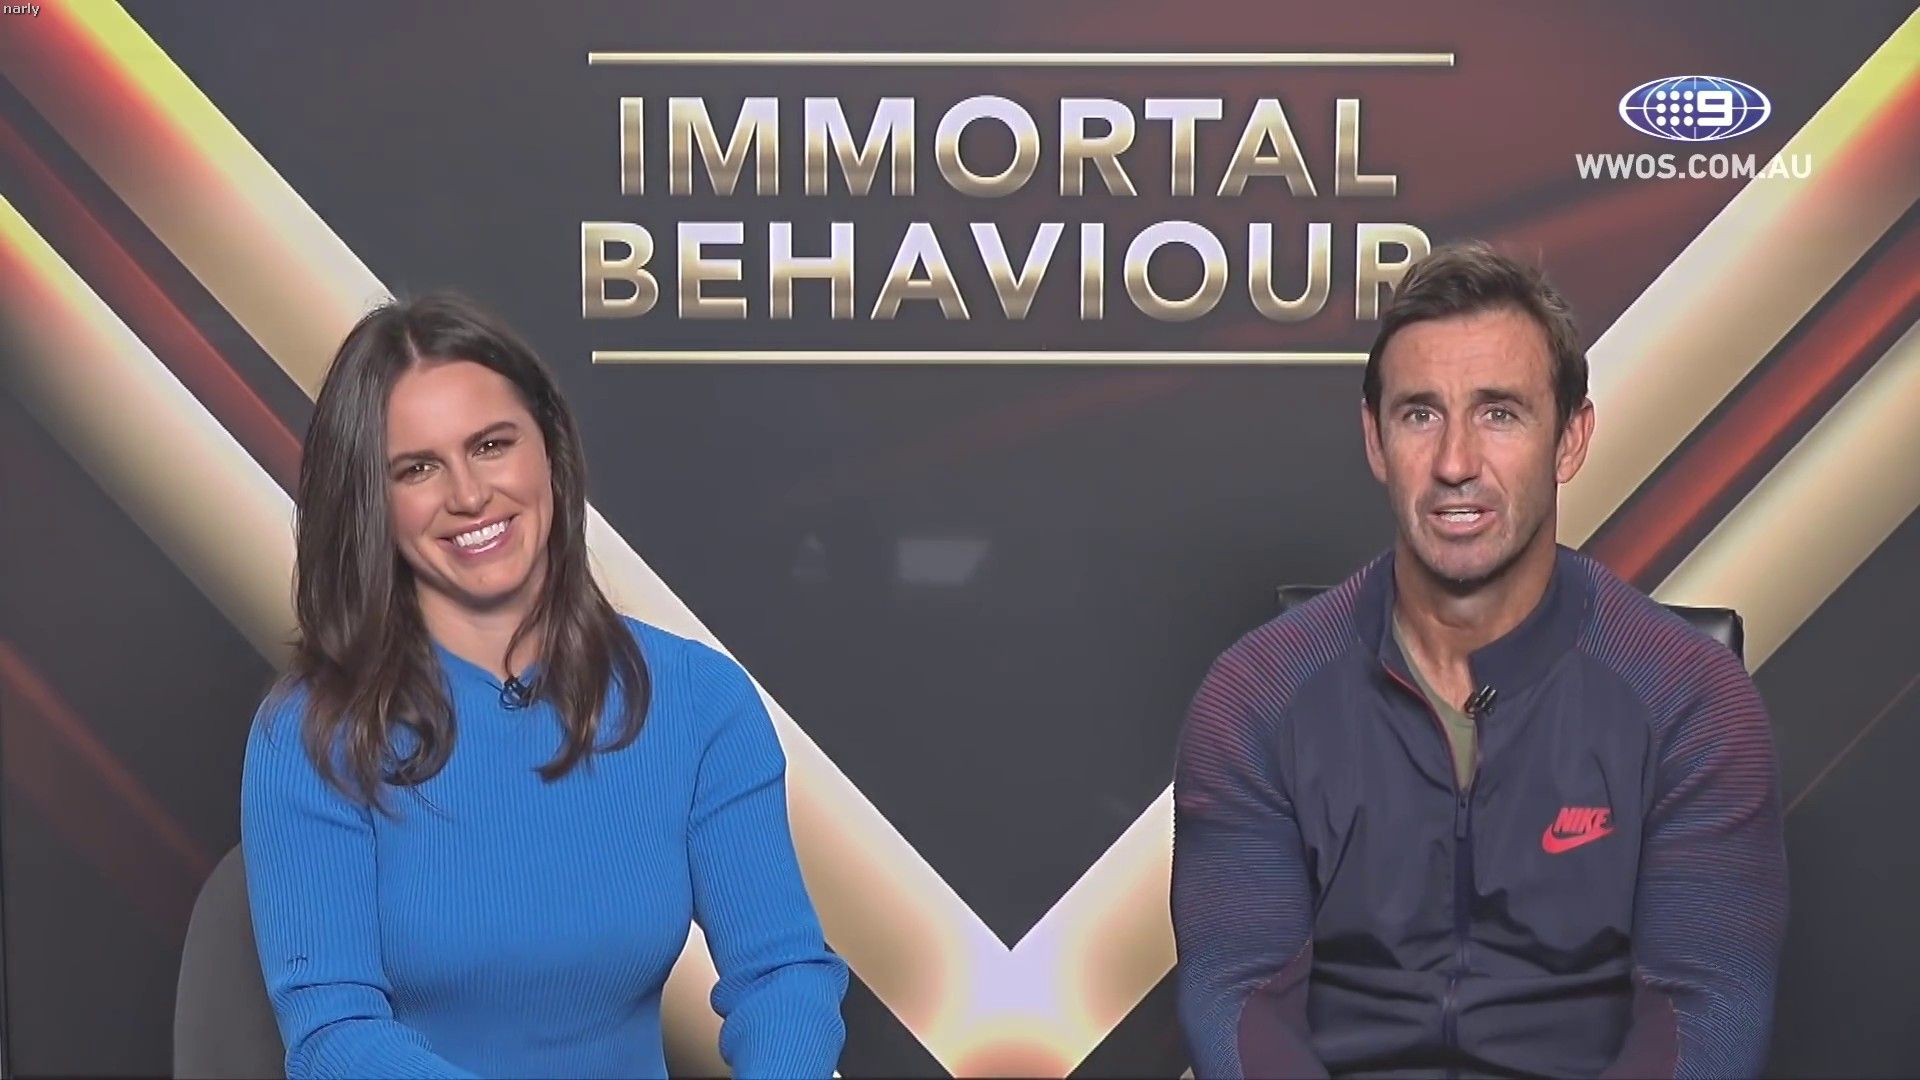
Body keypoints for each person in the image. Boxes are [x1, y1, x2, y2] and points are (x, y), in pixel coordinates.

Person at [1172, 243, 1787, 1078]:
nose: (1456, 463)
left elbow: (1707, 1009)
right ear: (1376, 440)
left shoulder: (1691, 700)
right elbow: (1235, 996)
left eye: (1499, 413)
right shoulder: (1256, 697)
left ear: (1570, 439)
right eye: (1419, 415)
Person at [242, 293, 847, 1078]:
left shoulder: (698, 701)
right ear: (372, 502)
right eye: (417, 468)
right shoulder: (311, 734)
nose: (469, 495)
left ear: (549, 451)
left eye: (492, 445)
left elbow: (782, 975)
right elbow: (333, 1033)